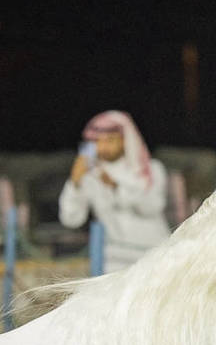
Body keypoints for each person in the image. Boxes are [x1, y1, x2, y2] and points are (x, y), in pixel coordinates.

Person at [56, 110, 170, 272]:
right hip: (114, 263)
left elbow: (152, 207)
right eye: (98, 141)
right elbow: (71, 219)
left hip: (156, 256)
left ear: (125, 140)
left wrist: (115, 187)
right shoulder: (90, 177)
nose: (103, 146)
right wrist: (75, 183)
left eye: (110, 140)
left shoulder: (150, 170)